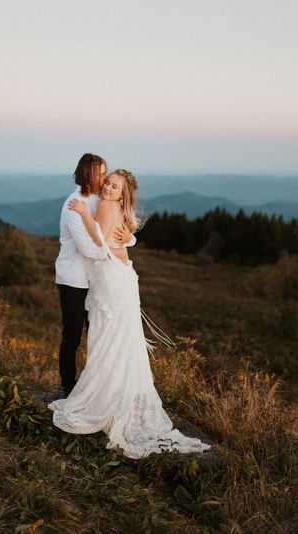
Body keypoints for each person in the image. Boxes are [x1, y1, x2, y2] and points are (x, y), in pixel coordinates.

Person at [49, 168, 211, 459]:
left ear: (123, 193)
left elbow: (99, 242)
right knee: (117, 336)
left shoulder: (105, 205)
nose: (108, 188)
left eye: (113, 186)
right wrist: (125, 236)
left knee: (110, 335)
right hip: (118, 276)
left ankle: (107, 397)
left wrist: (86, 216)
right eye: (107, 182)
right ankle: (116, 393)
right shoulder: (111, 205)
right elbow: (114, 237)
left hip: (111, 277)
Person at [55, 153, 136, 397]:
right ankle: (68, 388)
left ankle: (96, 389)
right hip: (74, 280)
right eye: (101, 174)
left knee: (100, 335)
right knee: (72, 336)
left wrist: (129, 239)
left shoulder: (102, 197)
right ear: (89, 175)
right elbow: (91, 249)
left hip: (98, 281)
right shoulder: (74, 205)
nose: (105, 179)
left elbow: (119, 227)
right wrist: (120, 252)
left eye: (106, 173)